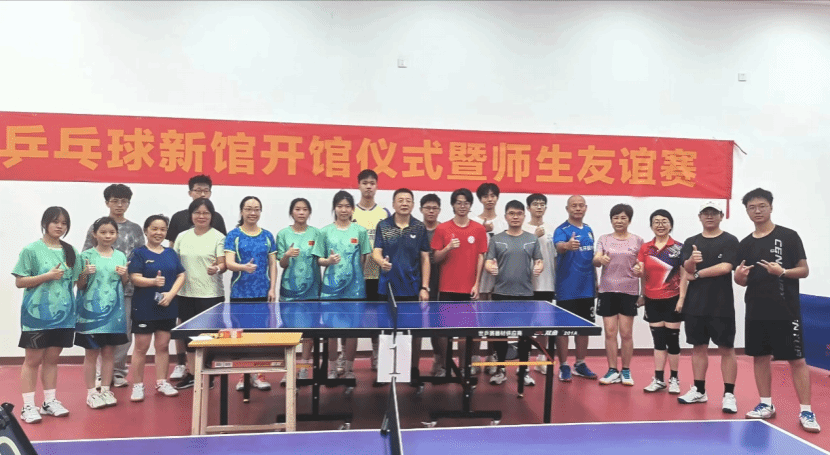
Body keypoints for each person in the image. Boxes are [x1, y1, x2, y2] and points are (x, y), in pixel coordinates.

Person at [734, 188, 820, 433]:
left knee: (797, 360)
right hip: (756, 308)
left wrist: (782, 271)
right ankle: (765, 404)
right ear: (747, 211)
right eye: (752, 207)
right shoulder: (745, 244)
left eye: (762, 206)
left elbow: (804, 270)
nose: (757, 211)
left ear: (771, 207)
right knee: (760, 357)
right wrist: (738, 277)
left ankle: (806, 410)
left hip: (786, 309)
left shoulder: (789, 236)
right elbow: (741, 280)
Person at [13, 207, 83, 424]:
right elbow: (20, 281)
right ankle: (28, 406)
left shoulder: (71, 251)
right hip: (36, 316)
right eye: (55, 222)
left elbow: (75, 282)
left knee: (52, 359)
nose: (59, 226)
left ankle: (49, 402)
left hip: (64, 316)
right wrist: (47, 276)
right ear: (45, 223)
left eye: (64, 223)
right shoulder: (31, 250)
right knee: (32, 360)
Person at [676, 201, 740, 414]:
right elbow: (686, 269)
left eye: (714, 213)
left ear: (721, 216)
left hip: (721, 304)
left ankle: (729, 394)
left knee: (726, 349)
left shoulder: (730, 240)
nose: (709, 216)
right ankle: (699, 390)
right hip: (696, 304)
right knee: (698, 348)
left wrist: (697, 273)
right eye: (706, 213)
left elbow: (726, 267)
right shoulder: (691, 241)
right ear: (700, 216)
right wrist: (692, 261)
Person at [166, 174, 227, 381]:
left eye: (205, 213)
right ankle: (191, 374)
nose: (201, 216)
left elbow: (223, 263)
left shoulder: (218, 236)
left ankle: (206, 375)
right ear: (191, 215)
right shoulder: (181, 236)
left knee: (208, 336)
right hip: (185, 293)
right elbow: (173, 260)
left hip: (210, 294)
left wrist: (217, 268)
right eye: (197, 213)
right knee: (189, 336)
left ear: (211, 215)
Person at [82, 184, 144, 388]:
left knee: (123, 332)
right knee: (100, 331)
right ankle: (101, 374)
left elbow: (140, 257)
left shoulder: (135, 229)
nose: (119, 205)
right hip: (98, 290)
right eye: (115, 201)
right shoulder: (97, 226)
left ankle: (118, 371)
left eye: (124, 201)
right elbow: (85, 256)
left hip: (126, 290)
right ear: (107, 202)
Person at [312, 191, 372, 381]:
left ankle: (349, 370)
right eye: (340, 206)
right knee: (331, 332)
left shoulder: (360, 231)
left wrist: (355, 277)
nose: (343, 210)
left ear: (352, 209)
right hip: (330, 289)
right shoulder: (324, 232)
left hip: (355, 289)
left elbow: (364, 258)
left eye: (347, 206)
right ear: (334, 208)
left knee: (353, 331)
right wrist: (328, 261)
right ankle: (332, 369)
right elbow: (319, 260)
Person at [483, 200, 543, 386]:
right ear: (506, 216)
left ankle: (524, 371)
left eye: (518, 213)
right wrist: (489, 267)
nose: (515, 217)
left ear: (524, 216)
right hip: (501, 293)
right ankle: (501, 369)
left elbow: (539, 260)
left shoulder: (532, 239)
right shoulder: (497, 239)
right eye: (511, 213)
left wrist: (539, 266)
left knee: (525, 336)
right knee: (500, 335)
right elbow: (488, 261)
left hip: (525, 294)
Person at [127, 215, 186, 402]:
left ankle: (162, 382)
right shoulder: (139, 253)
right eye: (154, 229)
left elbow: (181, 275)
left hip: (167, 306)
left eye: (162, 229)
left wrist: (171, 294)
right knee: (141, 348)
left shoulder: (170, 253)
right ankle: (138, 385)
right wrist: (153, 282)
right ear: (146, 231)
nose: (158, 233)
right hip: (144, 307)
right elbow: (134, 278)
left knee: (162, 346)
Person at [373, 189, 430, 378]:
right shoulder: (383, 225)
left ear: (413, 204)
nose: (404, 203)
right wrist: (381, 262)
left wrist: (424, 287)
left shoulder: (419, 227)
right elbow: (376, 252)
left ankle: (412, 370)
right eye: (400, 200)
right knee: (385, 332)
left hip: (412, 288)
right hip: (387, 288)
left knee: (413, 333)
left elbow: (425, 259)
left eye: (408, 200)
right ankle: (385, 372)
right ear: (393, 204)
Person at [431, 188, 488, 372]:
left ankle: (464, 368)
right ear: (453, 205)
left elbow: (481, 256)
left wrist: (477, 284)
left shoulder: (478, 229)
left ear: (470, 205)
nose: (462, 206)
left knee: (465, 332)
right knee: (444, 331)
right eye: (458, 202)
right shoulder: (442, 228)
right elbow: (435, 258)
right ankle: (446, 365)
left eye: (466, 203)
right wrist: (447, 248)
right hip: (446, 288)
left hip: (468, 289)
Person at [75, 217, 130, 409]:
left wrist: (124, 274)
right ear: (94, 234)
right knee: (91, 354)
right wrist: (84, 273)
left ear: (117, 234)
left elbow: (123, 283)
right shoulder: (85, 256)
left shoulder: (120, 256)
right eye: (103, 232)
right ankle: (91, 393)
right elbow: (80, 285)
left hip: (114, 314)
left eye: (112, 232)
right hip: (90, 314)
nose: (108, 236)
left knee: (109, 353)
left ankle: (106, 390)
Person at [224, 196, 278, 391]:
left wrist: (272, 288)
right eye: (248, 209)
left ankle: (260, 375)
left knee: (260, 336)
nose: (252, 212)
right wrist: (243, 267)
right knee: (242, 337)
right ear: (241, 211)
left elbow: (273, 264)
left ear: (260, 212)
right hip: (240, 293)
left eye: (256, 209)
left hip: (262, 292)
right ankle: (244, 376)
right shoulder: (233, 235)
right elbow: (229, 263)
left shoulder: (267, 236)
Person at [593, 204, 643, 386]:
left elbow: (642, 265)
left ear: (629, 220)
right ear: (611, 220)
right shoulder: (604, 239)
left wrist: (639, 269)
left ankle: (626, 370)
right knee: (610, 332)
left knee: (626, 333)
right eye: (616, 217)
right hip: (607, 290)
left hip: (628, 291)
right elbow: (596, 260)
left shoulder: (638, 241)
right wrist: (600, 259)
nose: (619, 221)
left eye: (623, 218)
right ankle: (612, 370)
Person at [635, 209, 684, 394]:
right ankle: (658, 379)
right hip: (652, 299)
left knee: (673, 341)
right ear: (651, 225)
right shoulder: (645, 248)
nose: (660, 225)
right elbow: (641, 272)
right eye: (656, 222)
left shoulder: (678, 248)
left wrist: (682, 299)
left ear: (670, 225)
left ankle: (674, 379)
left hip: (672, 298)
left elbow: (685, 275)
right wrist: (641, 291)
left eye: (664, 221)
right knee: (658, 341)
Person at [553, 195, 598, 382]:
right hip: (566, 288)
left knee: (584, 328)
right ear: (567, 208)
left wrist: (596, 281)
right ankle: (564, 365)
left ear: (585, 208)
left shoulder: (589, 229)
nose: (577, 208)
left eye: (581, 205)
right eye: (574, 206)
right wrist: (567, 245)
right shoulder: (561, 230)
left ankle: (580, 364)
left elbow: (591, 258)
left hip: (587, 288)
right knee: (563, 329)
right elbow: (559, 246)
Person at [277, 198, 322, 380]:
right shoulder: (283, 234)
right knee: (289, 331)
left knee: (309, 332)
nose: (301, 212)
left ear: (309, 212)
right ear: (292, 212)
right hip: (289, 289)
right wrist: (287, 255)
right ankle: (289, 370)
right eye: (297, 209)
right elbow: (282, 263)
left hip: (312, 289)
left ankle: (304, 367)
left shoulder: (316, 233)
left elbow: (320, 260)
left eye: (305, 209)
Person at [352, 169, 390, 372]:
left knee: (377, 318)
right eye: (365, 183)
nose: (368, 186)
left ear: (376, 186)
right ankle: (345, 360)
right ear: (358, 185)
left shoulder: (384, 213)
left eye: (372, 183)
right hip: (354, 277)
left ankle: (376, 355)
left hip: (377, 275)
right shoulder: (350, 212)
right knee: (351, 319)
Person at [474, 183, 507, 374]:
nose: (489, 199)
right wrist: (481, 230)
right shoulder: (473, 222)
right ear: (480, 199)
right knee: (476, 319)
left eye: (493, 195)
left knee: (495, 321)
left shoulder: (504, 223)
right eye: (485, 196)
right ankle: (474, 356)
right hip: (478, 278)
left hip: (499, 280)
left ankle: (492, 356)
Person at [523, 193, 556, 374]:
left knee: (543, 325)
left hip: (547, 283)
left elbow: (555, 257)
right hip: (526, 284)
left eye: (542, 204)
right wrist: (534, 237)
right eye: (535, 204)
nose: (539, 207)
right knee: (527, 325)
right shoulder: (522, 228)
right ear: (528, 208)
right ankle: (525, 360)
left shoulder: (552, 229)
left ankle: (542, 359)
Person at [420, 193, 448, 376]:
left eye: (434, 208)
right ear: (421, 209)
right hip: (418, 282)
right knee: (418, 325)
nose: (431, 211)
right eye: (427, 208)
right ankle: (412, 367)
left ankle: (441, 362)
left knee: (438, 326)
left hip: (440, 282)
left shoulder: (444, 230)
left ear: (439, 210)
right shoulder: (416, 229)